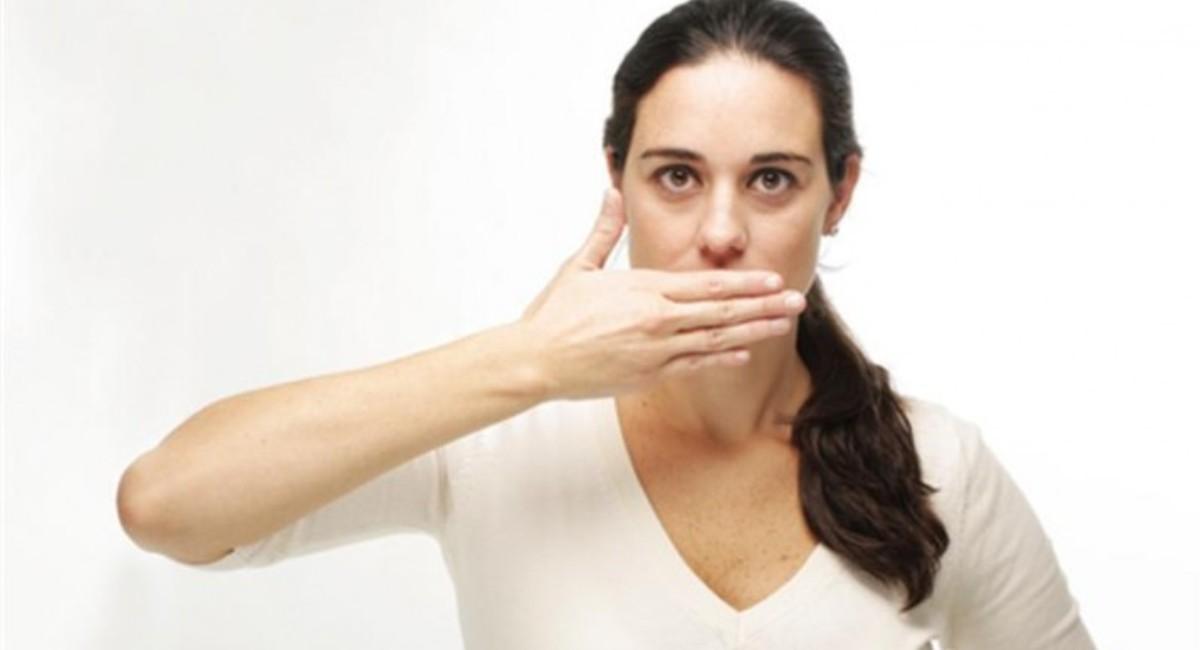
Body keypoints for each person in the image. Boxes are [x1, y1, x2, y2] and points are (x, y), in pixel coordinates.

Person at [115, 0, 1095, 647]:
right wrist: (527, 360)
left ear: (839, 193)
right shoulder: (498, 431)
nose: (721, 232)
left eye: (771, 179)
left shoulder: (940, 466)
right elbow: (164, 503)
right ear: (617, 178)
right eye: (677, 176)